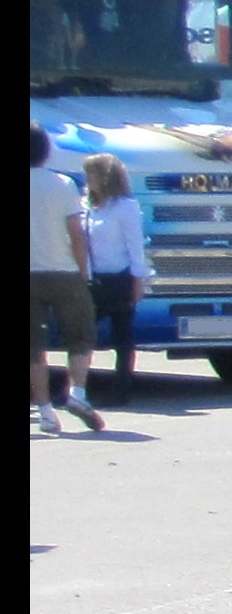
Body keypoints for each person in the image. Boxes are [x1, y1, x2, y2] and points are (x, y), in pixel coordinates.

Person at [30, 125, 103, 434]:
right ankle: (77, 393)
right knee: (80, 335)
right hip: (63, 272)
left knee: (33, 347)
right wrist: (83, 269)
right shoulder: (63, 185)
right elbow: (76, 233)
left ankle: (45, 411)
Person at [79, 153, 145, 408]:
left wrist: (138, 280)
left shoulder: (125, 207)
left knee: (123, 338)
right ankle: (79, 388)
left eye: (91, 174)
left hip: (119, 278)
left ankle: (122, 390)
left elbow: (135, 247)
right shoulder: (85, 204)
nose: (87, 179)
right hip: (92, 278)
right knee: (83, 335)